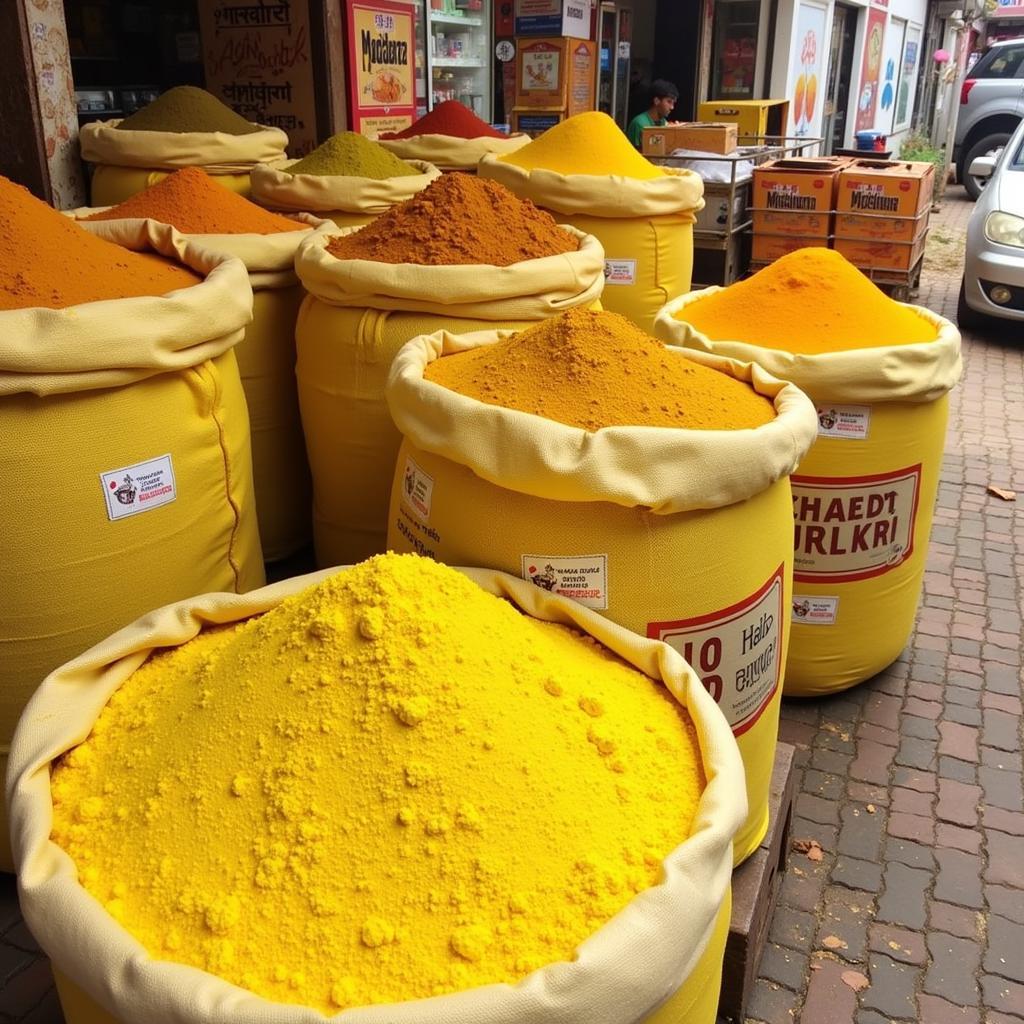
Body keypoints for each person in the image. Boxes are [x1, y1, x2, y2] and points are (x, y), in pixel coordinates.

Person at [626, 80, 678, 149]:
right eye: (669, 102)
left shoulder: (663, 122)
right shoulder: (639, 123)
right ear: (656, 101)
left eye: (673, 103)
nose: (672, 107)